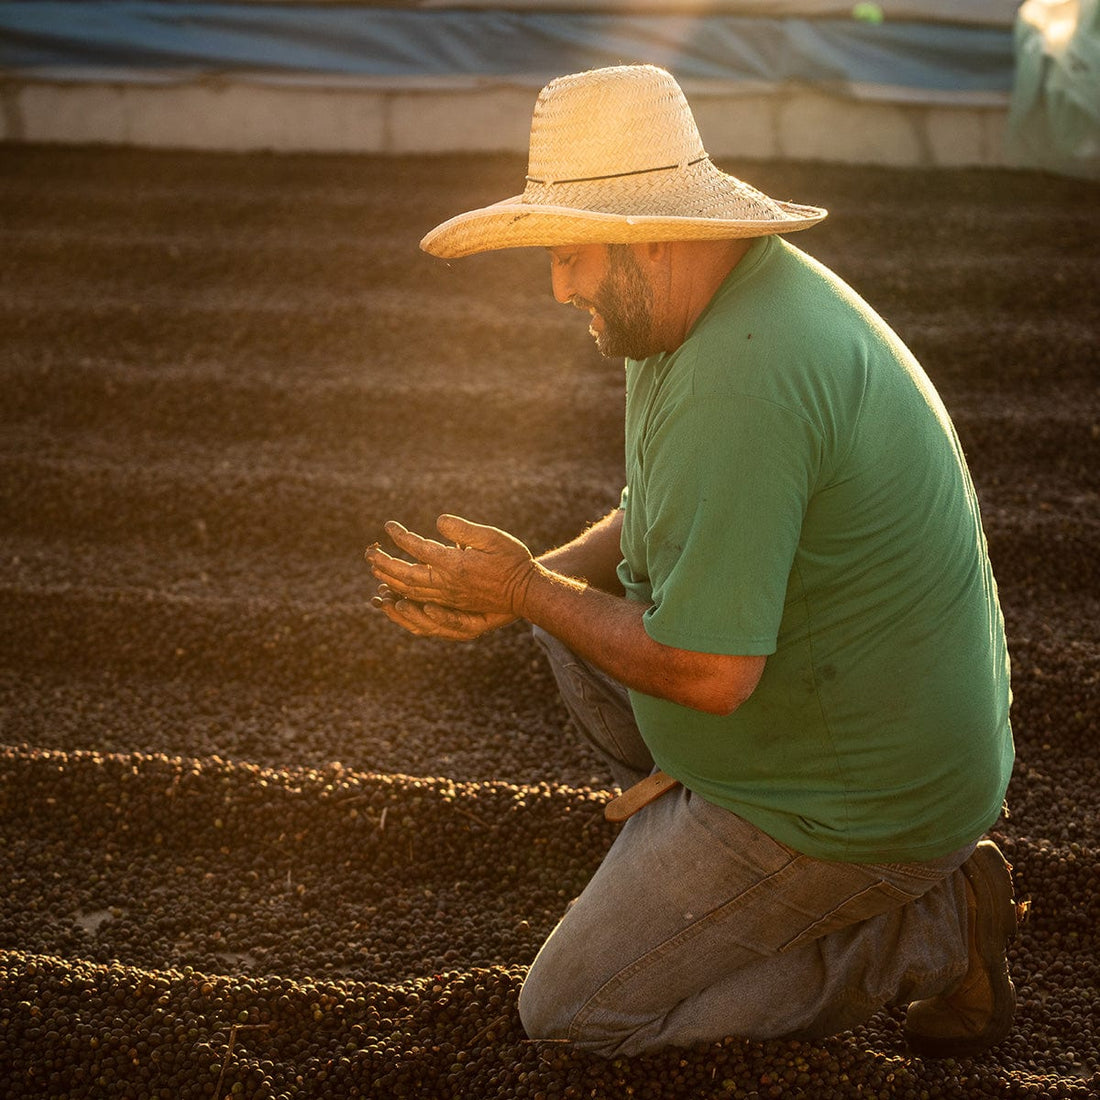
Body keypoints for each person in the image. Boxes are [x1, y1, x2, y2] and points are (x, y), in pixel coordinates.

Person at [364, 64, 1019, 1059]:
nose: (557, 284)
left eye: (572, 254)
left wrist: (524, 586)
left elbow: (711, 674)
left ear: (650, 236)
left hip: (856, 797)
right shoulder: (691, 308)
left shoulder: (743, 377)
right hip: (822, 716)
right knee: (564, 613)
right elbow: (649, 514)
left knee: (573, 1015)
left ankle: (927, 927)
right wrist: (531, 581)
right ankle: (703, 826)